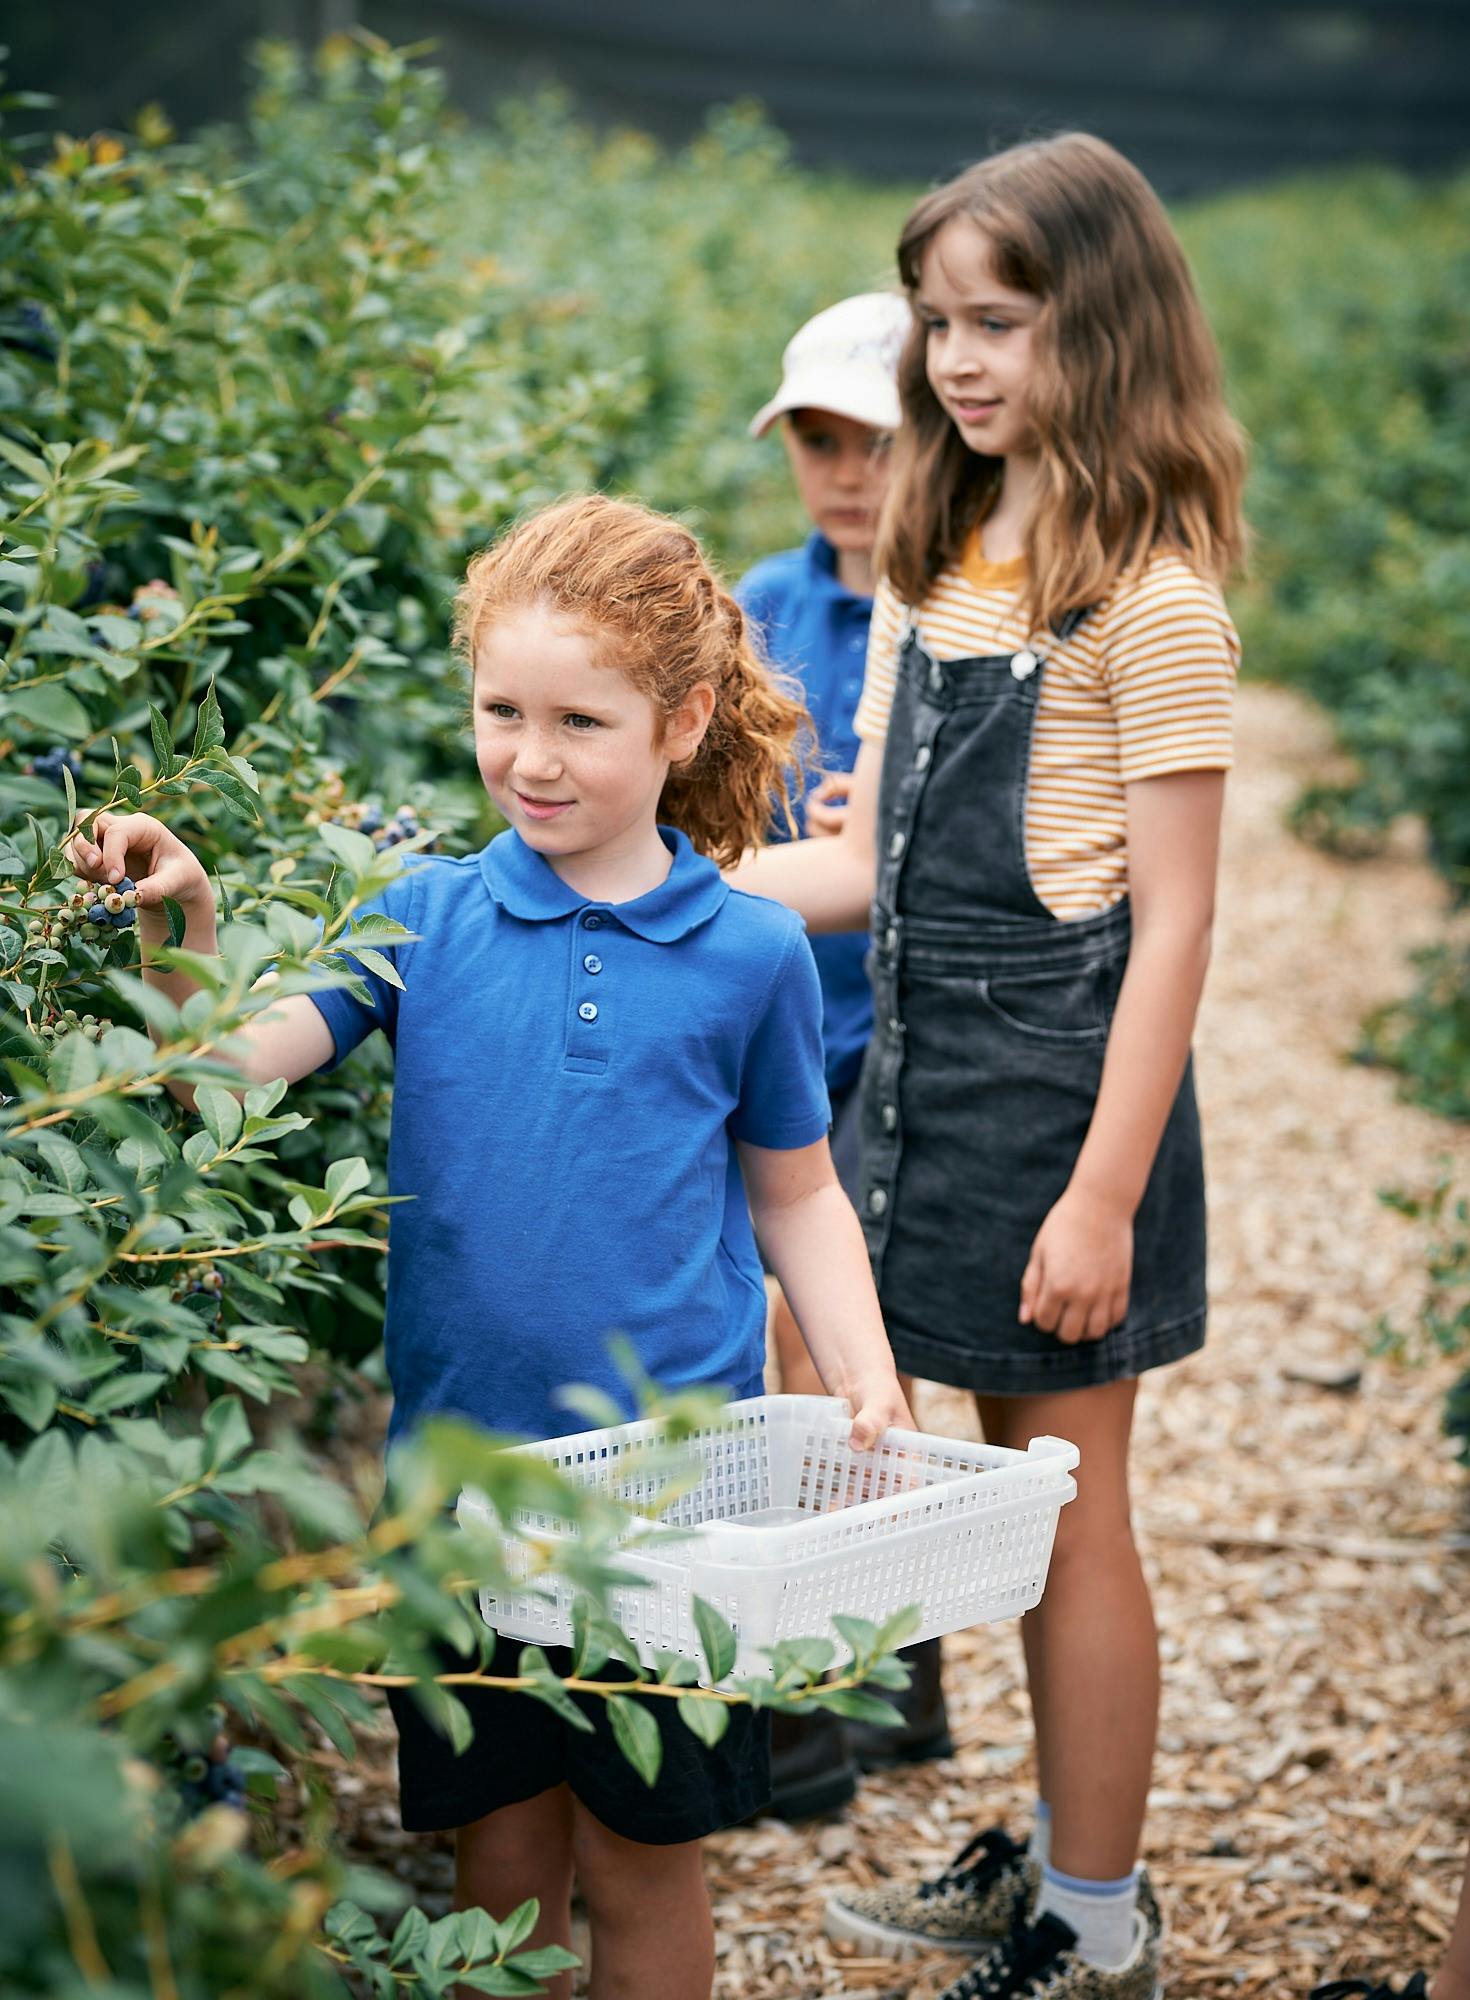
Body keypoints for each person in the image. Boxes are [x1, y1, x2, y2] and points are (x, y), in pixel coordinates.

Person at [66, 493, 915, 2000]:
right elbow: (229, 1063)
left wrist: (864, 1373)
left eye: (579, 721)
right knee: (499, 1851)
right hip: (457, 1493)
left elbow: (794, 1193)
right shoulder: (425, 918)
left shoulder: (751, 951)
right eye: (498, 711)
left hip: (675, 1500)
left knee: (646, 1860)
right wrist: (182, 920)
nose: (530, 758)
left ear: (681, 719)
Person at [729, 131, 1247, 2000]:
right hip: (925, 1091)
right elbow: (863, 867)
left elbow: (1176, 926)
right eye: (939, 322)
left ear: (1095, 328)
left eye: (999, 323)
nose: (955, 360)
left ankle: (1093, 1916)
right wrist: (658, 891)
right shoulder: (942, 558)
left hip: (1058, 1110)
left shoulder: (1151, 599)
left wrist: (1103, 1192)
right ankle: (1045, 1852)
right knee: (985, 1501)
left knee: (1065, 1507)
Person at [737, 291, 954, 1819]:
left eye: (869, 438)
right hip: (775, 1033)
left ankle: (849, 1700)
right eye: (816, 439)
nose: (842, 470)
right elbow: (705, 806)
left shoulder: (955, 611)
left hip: (897, 1038)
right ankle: (870, 1683)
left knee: (834, 1352)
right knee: (785, 1352)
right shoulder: (758, 603)